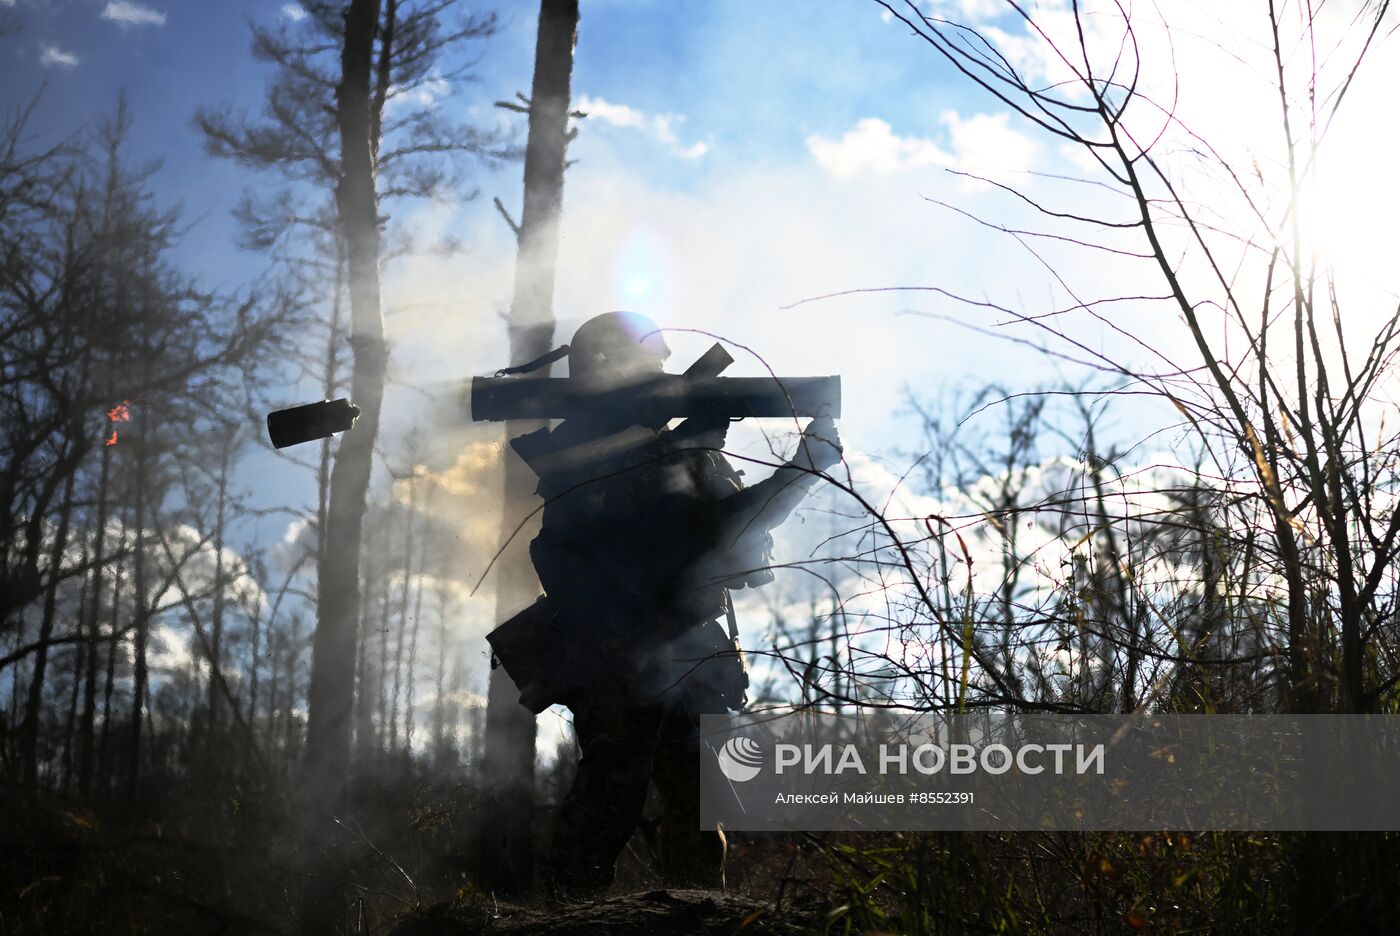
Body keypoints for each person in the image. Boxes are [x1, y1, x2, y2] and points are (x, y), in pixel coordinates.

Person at [496, 311, 841, 896]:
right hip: (621, 657)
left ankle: (684, 913)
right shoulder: (603, 460)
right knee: (614, 800)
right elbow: (708, 532)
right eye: (651, 369)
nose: (664, 378)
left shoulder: (627, 453)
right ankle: (579, 917)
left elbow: (701, 527)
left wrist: (702, 440)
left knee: (692, 807)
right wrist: (803, 469)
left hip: (680, 654)